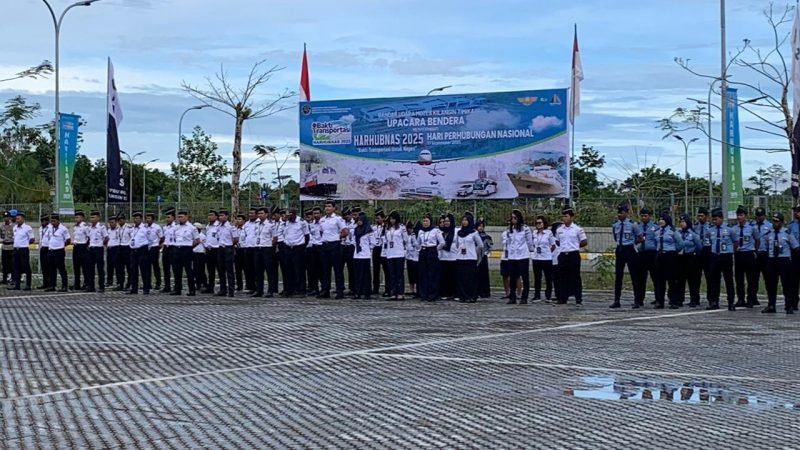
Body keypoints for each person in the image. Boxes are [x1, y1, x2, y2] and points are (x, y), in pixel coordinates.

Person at [762, 212, 799, 314]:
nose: (775, 223)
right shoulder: (768, 234)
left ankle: (789, 305)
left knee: (786, 284)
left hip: (784, 260)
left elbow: (795, 247)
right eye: (773, 221)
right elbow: (764, 246)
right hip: (772, 260)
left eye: (777, 221)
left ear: (782, 222)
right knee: (771, 284)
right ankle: (771, 305)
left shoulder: (787, 233)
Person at [610, 205, 642, 309]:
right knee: (618, 276)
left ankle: (637, 300)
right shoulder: (615, 225)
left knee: (634, 275)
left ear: (626, 213)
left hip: (630, 249)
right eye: (619, 213)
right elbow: (615, 237)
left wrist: (633, 243)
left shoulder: (633, 225)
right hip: (620, 249)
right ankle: (616, 300)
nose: (620, 214)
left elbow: (640, 238)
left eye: (622, 212)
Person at [554, 207, 587, 306]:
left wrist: (575, 246)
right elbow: (557, 241)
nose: (564, 218)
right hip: (563, 254)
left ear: (572, 217)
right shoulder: (559, 229)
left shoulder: (577, 229)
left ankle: (578, 298)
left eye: (566, 216)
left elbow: (584, 241)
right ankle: (563, 297)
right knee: (562, 277)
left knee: (575, 277)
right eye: (563, 216)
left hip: (573, 254)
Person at [653, 211, 684, 309]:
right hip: (660, 255)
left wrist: (674, 251)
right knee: (659, 280)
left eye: (662, 219)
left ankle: (673, 301)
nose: (661, 221)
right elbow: (655, 242)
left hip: (670, 255)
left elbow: (680, 243)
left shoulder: (672, 231)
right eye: (659, 219)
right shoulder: (657, 232)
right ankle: (660, 301)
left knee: (671, 279)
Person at [708, 208, 736, 311]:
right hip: (715, 256)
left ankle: (731, 302)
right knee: (714, 280)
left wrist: (730, 251)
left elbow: (735, 241)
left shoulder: (729, 229)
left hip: (726, 256)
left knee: (728, 279)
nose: (714, 221)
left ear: (721, 218)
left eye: (716, 219)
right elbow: (709, 242)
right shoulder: (711, 230)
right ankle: (715, 301)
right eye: (713, 219)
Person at [319, 200, 348, 299]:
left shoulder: (338, 219)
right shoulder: (322, 220)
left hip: (335, 245)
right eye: (326, 206)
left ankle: (340, 291)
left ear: (334, 208)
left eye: (329, 206)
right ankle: (325, 290)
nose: (327, 208)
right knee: (325, 270)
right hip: (325, 245)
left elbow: (345, 231)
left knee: (338, 269)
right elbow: (321, 232)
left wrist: (337, 237)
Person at [732, 206, 759, 308]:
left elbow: (757, 240)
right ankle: (740, 299)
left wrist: (755, 250)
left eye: (741, 215)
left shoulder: (752, 228)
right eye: (738, 215)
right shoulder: (734, 229)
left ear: (745, 216)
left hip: (749, 254)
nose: (739, 217)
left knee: (751, 278)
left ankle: (751, 299)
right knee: (739, 279)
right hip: (739, 254)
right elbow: (734, 242)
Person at [504, 209, 533, 305]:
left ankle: (524, 297)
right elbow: (508, 242)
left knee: (524, 277)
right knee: (512, 277)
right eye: (512, 218)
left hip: (523, 256)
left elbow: (529, 242)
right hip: (513, 256)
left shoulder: (525, 229)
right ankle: (512, 297)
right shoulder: (510, 230)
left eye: (515, 218)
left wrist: (530, 251)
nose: (513, 220)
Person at [279, 208, 309, 297]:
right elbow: (283, 234)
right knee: (288, 269)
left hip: (298, 248)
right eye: (287, 215)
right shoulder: (285, 222)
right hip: (288, 247)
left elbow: (306, 235)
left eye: (290, 215)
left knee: (299, 270)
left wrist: (303, 246)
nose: (288, 217)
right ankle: (289, 289)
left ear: (294, 214)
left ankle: (301, 290)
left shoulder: (302, 222)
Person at [455, 212, 483, 303]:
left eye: (466, 220)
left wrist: (474, 251)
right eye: (463, 220)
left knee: (470, 278)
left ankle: (471, 295)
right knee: (461, 278)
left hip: (470, 258)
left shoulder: (474, 233)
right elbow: (457, 244)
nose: (464, 222)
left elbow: (480, 245)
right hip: (460, 257)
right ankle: (462, 295)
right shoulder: (459, 232)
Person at [676, 213, 702, 308]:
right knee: (680, 280)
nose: (682, 223)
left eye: (683, 221)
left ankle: (694, 299)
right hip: (681, 258)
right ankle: (679, 299)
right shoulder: (678, 233)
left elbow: (699, 247)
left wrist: (694, 254)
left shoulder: (693, 234)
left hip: (691, 258)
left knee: (693, 280)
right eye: (680, 221)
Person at [171, 210, 199, 296]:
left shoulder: (192, 227)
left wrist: (190, 247)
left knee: (188, 270)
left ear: (187, 217)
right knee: (176, 270)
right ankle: (177, 289)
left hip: (186, 249)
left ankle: (192, 290)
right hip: (177, 249)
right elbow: (175, 238)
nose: (180, 219)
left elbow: (197, 240)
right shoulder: (176, 227)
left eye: (182, 217)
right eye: (179, 217)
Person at [417, 213, 444, 302]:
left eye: (427, 221)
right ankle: (424, 293)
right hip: (423, 251)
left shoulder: (435, 231)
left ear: (430, 222)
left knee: (432, 274)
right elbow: (418, 243)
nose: (425, 223)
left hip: (432, 251)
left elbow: (442, 242)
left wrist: (435, 249)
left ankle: (432, 294)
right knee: (423, 274)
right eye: (424, 221)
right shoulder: (421, 231)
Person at [635, 208, 658, 306]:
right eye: (642, 216)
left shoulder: (655, 227)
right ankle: (639, 300)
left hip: (652, 253)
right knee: (640, 278)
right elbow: (635, 239)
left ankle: (658, 298)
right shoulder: (637, 227)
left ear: (650, 216)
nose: (643, 218)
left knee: (656, 277)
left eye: (645, 216)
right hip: (641, 253)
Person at [384, 210, 408, 300]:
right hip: (390, 254)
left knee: (399, 274)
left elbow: (406, 240)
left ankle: (401, 292)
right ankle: (393, 292)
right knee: (392, 274)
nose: (391, 221)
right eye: (390, 219)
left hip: (399, 253)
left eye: (393, 219)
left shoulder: (402, 228)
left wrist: (405, 250)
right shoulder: (388, 228)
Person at [532, 215, 556, 303]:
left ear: (544, 223)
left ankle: (548, 296)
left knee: (548, 278)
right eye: (536, 223)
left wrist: (548, 252)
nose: (538, 225)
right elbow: (533, 244)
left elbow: (553, 245)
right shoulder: (534, 233)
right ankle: (537, 295)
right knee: (537, 278)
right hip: (536, 258)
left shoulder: (548, 233)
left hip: (546, 258)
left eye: (540, 223)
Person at [215, 209, 239, 297]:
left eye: (222, 215)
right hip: (220, 248)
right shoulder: (218, 226)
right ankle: (222, 289)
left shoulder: (231, 227)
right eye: (220, 216)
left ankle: (231, 290)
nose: (221, 217)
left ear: (227, 216)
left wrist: (230, 246)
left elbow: (236, 239)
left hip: (228, 248)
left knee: (229, 271)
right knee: (221, 270)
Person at [128, 212, 152, 295]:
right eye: (134, 218)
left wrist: (147, 248)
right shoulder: (133, 228)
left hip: (142, 250)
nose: (136, 220)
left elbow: (150, 240)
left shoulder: (145, 228)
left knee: (144, 270)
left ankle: (146, 288)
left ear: (141, 219)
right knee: (133, 270)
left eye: (137, 218)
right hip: (133, 250)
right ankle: (134, 288)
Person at [693, 207, 712, 307]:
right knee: (695, 277)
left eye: (702, 216)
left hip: (707, 252)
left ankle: (711, 298)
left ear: (707, 216)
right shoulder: (695, 226)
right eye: (698, 216)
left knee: (709, 276)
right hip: (697, 252)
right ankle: (695, 299)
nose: (700, 218)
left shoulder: (710, 226)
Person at [252, 207, 273, 298]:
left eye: (262, 213)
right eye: (259, 213)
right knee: (258, 271)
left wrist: (270, 246)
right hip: (257, 248)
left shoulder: (270, 224)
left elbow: (274, 237)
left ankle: (270, 290)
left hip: (267, 248)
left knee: (269, 270)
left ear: (266, 214)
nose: (260, 215)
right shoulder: (256, 224)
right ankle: (259, 290)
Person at [353, 212, 374, 299]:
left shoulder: (369, 231)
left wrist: (367, 249)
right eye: (358, 220)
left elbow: (372, 243)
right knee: (357, 274)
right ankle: (358, 291)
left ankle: (366, 292)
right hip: (357, 255)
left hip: (365, 255)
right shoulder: (356, 229)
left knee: (365, 275)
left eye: (361, 220)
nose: (359, 222)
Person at [10, 212, 34, 291]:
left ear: (23, 219)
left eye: (18, 218)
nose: (17, 220)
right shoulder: (15, 228)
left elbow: (32, 239)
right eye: (16, 219)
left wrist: (25, 244)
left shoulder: (27, 228)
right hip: (16, 249)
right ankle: (17, 285)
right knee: (16, 267)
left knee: (26, 267)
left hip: (23, 249)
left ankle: (28, 285)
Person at [751, 207, 769, 308]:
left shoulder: (769, 226)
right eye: (757, 216)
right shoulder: (752, 225)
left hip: (764, 253)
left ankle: (770, 298)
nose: (759, 217)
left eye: (761, 215)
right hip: (754, 253)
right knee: (753, 277)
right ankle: (753, 298)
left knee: (768, 277)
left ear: (764, 216)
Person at [86, 211, 109, 292]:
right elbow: (88, 238)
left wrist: (101, 244)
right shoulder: (89, 227)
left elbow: (106, 237)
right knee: (90, 268)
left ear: (98, 218)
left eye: (94, 217)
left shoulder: (101, 227)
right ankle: (91, 286)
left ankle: (101, 286)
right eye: (91, 217)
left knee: (100, 268)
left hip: (99, 248)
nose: (92, 219)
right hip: (91, 248)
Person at [47, 214, 70, 292]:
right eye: (51, 221)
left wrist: (61, 246)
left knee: (61, 269)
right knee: (51, 269)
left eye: (54, 221)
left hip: (59, 250)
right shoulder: (50, 228)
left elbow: (68, 240)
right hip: (51, 250)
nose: (53, 223)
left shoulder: (63, 229)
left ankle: (64, 285)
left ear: (58, 221)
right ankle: (52, 285)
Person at [438, 213, 458, 300]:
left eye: (448, 221)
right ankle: (445, 293)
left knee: (453, 276)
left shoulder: (456, 231)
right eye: (445, 221)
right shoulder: (440, 231)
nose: (446, 223)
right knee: (444, 277)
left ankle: (454, 293)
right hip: (443, 257)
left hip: (453, 256)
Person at [305, 208, 322, 297]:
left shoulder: (323, 223)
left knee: (322, 270)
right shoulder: (311, 225)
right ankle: (314, 288)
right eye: (314, 213)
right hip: (313, 248)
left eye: (317, 213)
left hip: (322, 247)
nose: (315, 215)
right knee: (313, 270)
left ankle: (324, 288)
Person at [371, 209, 389, 296]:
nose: (377, 220)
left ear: (383, 218)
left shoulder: (386, 227)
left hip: (384, 248)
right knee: (375, 269)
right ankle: (375, 288)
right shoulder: (374, 227)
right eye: (376, 218)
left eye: (378, 218)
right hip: (376, 248)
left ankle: (387, 288)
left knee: (386, 269)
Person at [71, 210, 90, 290]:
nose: (76, 219)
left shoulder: (85, 226)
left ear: (82, 218)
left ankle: (86, 283)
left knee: (85, 267)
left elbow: (89, 236)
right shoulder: (75, 227)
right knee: (76, 267)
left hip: (83, 247)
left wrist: (87, 246)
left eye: (78, 217)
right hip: (76, 247)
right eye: (75, 217)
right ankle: (77, 284)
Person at [242, 208, 259, 294]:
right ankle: (251, 287)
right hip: (247, 248)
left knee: (257, 269)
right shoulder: (246, 224)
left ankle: (258, 288)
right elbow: (243, 236)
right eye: (249, 213)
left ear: (256, 214)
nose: (251, 215)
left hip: (256, 248)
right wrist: (244, 244)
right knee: (249, 269)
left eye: (252, 213)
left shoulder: (259, 223)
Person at [145, 212, 163, 291]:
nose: (147, 220)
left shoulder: (157, 227)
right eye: (146, 218)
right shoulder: (145, 227)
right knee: (146, 266)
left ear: (153, 219)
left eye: (149, 218)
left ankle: (158, 283)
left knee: (155, 266)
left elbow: (162, 237)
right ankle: (147, 283)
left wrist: (159, 246)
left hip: (154, 247)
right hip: (147, 248)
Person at [203, 210, 220, 294]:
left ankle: (223, 287)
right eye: (209, 215)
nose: (209, 217)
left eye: (212, 215)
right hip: (208, 249)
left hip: (216, 249)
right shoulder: (208, 226)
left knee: (220, 269)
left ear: (216, 216)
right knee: (210, 270)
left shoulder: (218, 226)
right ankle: (210, 287)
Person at [341, 207, 356, 295]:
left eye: (347, 215)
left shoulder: (354, 223)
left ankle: (352, 287)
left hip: (351, 246)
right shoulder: (341, 222)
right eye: (344, 216)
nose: (345, 217)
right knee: (340, 267)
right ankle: (341, 287)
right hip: (342, 245)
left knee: (351, 268)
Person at [476, 219, 493, 299]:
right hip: (475, 257)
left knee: (484, 274)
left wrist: (486, 253)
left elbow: (490, 247)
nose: (480, 228)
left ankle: (484, 292)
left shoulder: (487, 237)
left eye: (482, 226)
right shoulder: (474, 235)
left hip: (483, 258)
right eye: (479, 226)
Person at [161, 210, 176, 293]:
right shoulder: (165, 227)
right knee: (166, 268)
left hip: (173, 248)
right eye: (166, 217)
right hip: (166, 248)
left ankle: (176, 286)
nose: (167, 219)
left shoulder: (176, 227)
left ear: (173, 218)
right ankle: (167, 286)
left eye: (169, 217)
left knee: (175, 268)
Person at [788, 206, 800, 312]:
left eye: (798, 211)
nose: (796, 213)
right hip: (796, 254)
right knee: (794, 280)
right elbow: (790, 237)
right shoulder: (792, 225)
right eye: (795, 211)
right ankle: (794, 302)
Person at [117, 214, 133, 291]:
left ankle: (129, 283)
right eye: (118, 220)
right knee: (120, 267)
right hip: (120, 247)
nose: (119, 222)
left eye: (120, 220)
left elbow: (132, 237)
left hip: (127, 247)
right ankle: (121, 283)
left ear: (124, 220)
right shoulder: (119, 228)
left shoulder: (129, 228)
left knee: (129, 267)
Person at [406, 221, 420, 298]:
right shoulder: (407, 236)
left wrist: (413, 237)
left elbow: (417, 245)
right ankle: (411, 289)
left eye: (411, 228)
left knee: (415, 274)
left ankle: (417, 289)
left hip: (415, 257)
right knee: (410, 273)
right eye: (408, 228)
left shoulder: (415, 235)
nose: (409, 230)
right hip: (408, 257)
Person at [106, 216, 121, 290]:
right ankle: (109, 281)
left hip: (116, 248)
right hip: (109, 249)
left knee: (117, 266)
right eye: (110, 223)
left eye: (112, 222)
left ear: (116, 222)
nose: (111, 224)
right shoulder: (108, 230)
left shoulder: (119, 230)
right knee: (109, 266)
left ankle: (119, 282)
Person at [192, 223, 208, 293]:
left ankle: (204, 283)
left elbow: (205, 245)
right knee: (195, 269)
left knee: (201, 270)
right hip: (195, 253)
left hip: (201, 254)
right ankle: (198, 284)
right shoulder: (194, 236)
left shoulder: (202, 236)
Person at [38, 214, 52, 290]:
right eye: (42, 221)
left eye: (44, 221)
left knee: (49, 267)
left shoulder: (51, 228)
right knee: (44, 267)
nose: (43, 222)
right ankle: (45, 283)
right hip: (43, 248)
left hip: (49, 248)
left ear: (47, 221)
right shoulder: (40, 228)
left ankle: (50, 283)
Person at [234, 213, 247, 292]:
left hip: (244, 249)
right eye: (237, 219)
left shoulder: (246, 229)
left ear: (244, 221)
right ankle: (239, 285)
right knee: (237, 269)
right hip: (237, 250)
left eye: (240, 219)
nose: (238, 221)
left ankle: (248, 285)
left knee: (246, 268)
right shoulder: (235, 229)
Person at [1, 211, 13, 284]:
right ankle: (4, 278)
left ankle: (12, 278)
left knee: (12, 264)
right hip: (4, 246)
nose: (6, 218)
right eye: (5, 217)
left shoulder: (13, 226)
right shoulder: (1, 226)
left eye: (7, 217)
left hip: (11, 246)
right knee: (4, 263)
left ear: (10, 218)